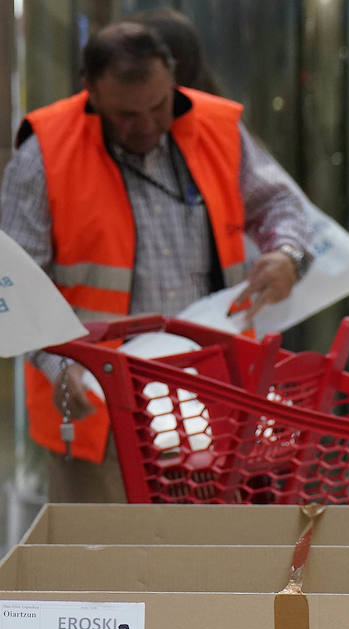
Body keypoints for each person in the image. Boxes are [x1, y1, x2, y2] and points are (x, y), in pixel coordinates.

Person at [0, 20, 312, 501]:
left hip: (218, 399)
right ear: (92, 93)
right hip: (101, 406)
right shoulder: (44, 154)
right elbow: (18, 287)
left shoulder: (214, 128)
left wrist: (287, 254)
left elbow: (280, 204)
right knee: (110, 559)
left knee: (214, 556)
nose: (145, 125)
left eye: (158, 106)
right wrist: (58, 365)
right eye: (126, 114)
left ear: (172, 81)